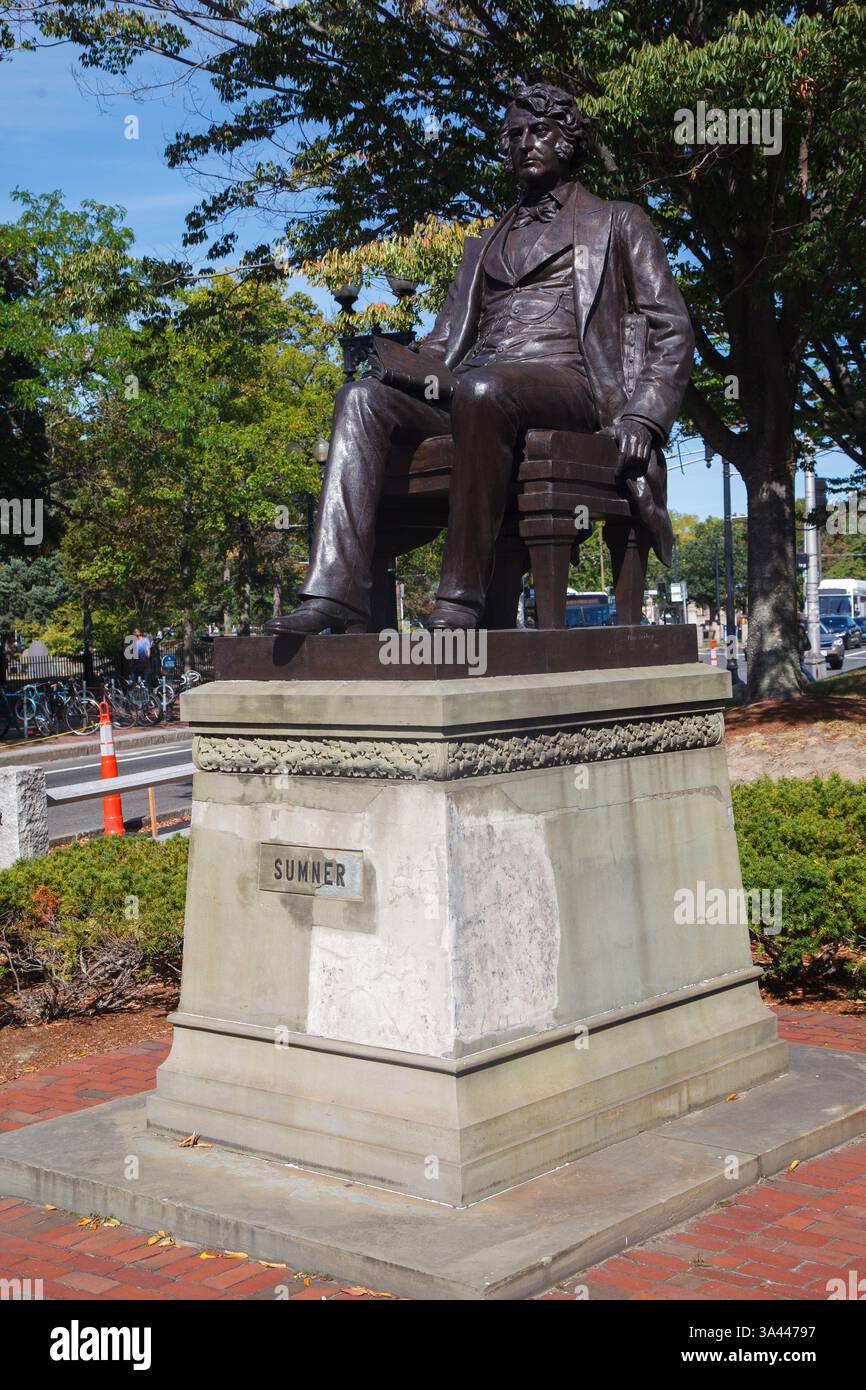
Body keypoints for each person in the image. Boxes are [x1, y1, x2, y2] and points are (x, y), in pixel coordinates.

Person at [268, 81, 693, 635]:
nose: (523, 144)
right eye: (513, 135)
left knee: (484, 389)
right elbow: (444, 343)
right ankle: (335, 594)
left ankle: (460, 602)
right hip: (473, 387)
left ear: (568, 140)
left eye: (537, 131)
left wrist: (645, 414)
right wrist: (397, 362)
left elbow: (672, 325)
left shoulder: (617, 220)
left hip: (570, 385)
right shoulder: (483, 244)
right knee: (361, 398)